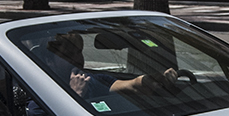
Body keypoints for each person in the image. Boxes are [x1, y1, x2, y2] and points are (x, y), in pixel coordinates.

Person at [45, 32, 177, 99]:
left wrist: (157, 78)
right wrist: (75, 94)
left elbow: (132, 85)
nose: (76, 59)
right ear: (49, 61)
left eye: (79, 52)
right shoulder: (42, 90)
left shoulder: (93, 80)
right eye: (67, 54)